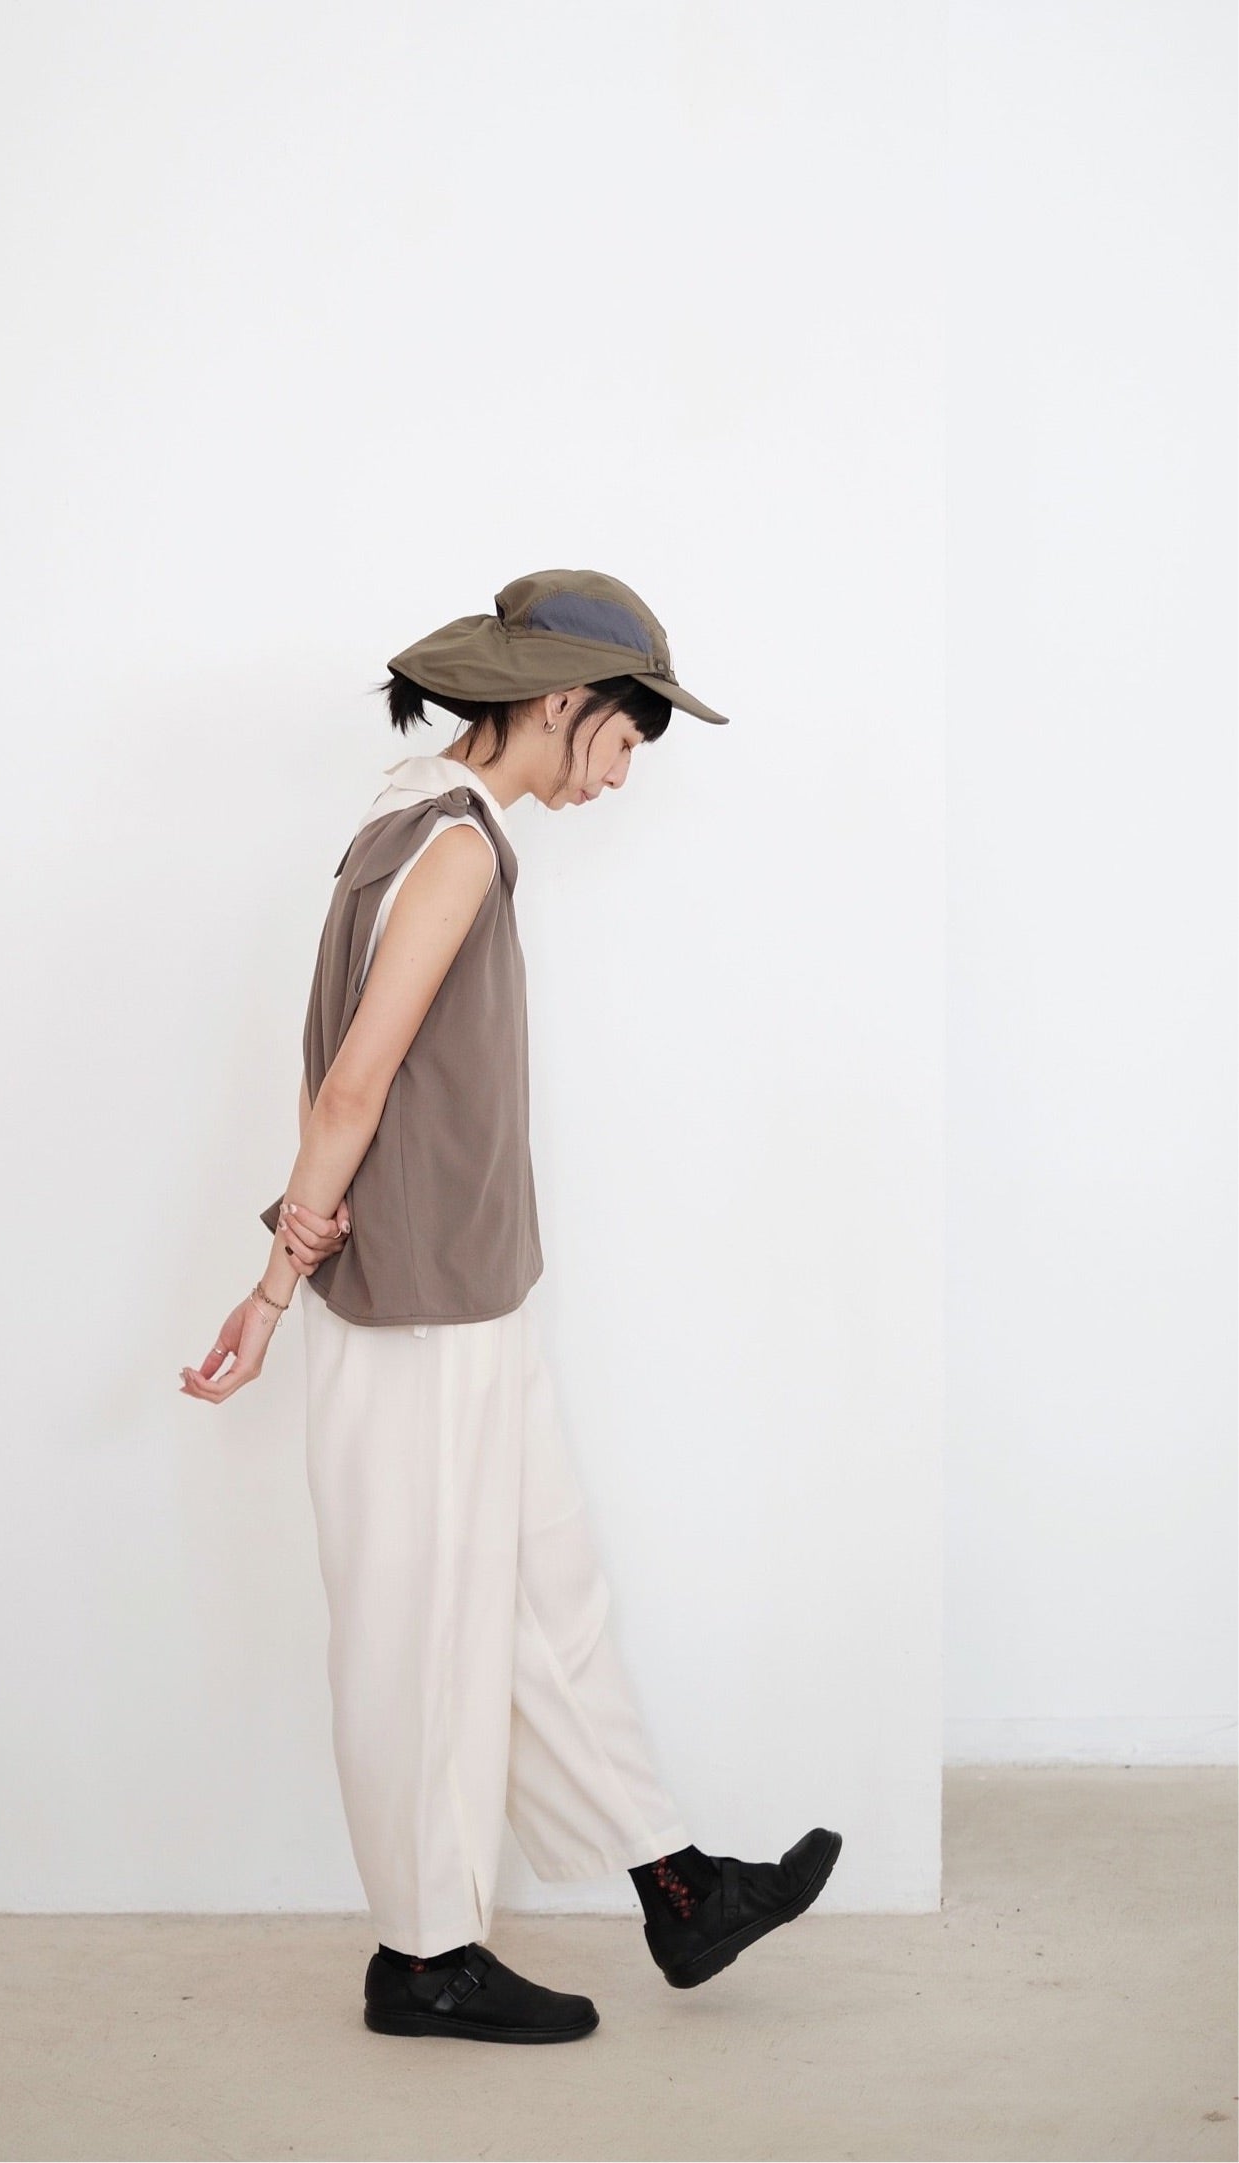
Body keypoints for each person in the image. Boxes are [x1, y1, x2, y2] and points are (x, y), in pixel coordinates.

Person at [180, 569, 841, 2044]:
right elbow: (352, 1085)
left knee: (545, 1597)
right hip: (419, 1302)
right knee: (424, 1628)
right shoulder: (456, 847)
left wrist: (292, 1271)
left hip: (468, 1288)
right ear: (561, 702)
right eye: (626, 739)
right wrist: (276, 1288)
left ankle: (677, 1888)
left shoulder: (407, 817)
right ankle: (424, 1957)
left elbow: (345, 1071)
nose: (623, 774)